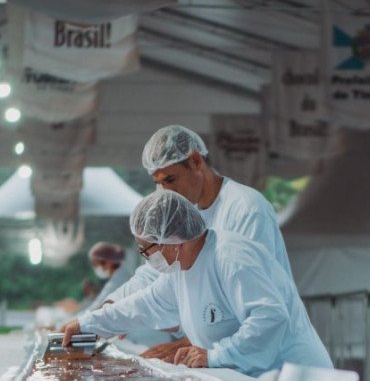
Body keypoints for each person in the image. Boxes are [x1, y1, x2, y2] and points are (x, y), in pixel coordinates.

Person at [61, 190, 331, 377]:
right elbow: (145, 305)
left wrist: (214, 356)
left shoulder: (230, 257)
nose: (147, 258)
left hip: (295, 380)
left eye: (148, 249)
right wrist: (88, 324)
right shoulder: (182, 270)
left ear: (172, 239)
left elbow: (270, 318)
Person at [105, 124, 292, 361]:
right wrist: (111, 306)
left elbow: (254, 304)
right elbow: (155, 272)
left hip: (265, 356)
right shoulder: (186, 214)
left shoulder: (246, 208)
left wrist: (188, 343)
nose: (166, 190)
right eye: (159, 183)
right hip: (223, 352)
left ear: (195, 161)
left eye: (170, 179)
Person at [81, 241, 134, 311]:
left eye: (96, 264)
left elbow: (97, 306)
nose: (97, 268)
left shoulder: (117, 281)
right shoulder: (122, 273)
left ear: (108, 262)